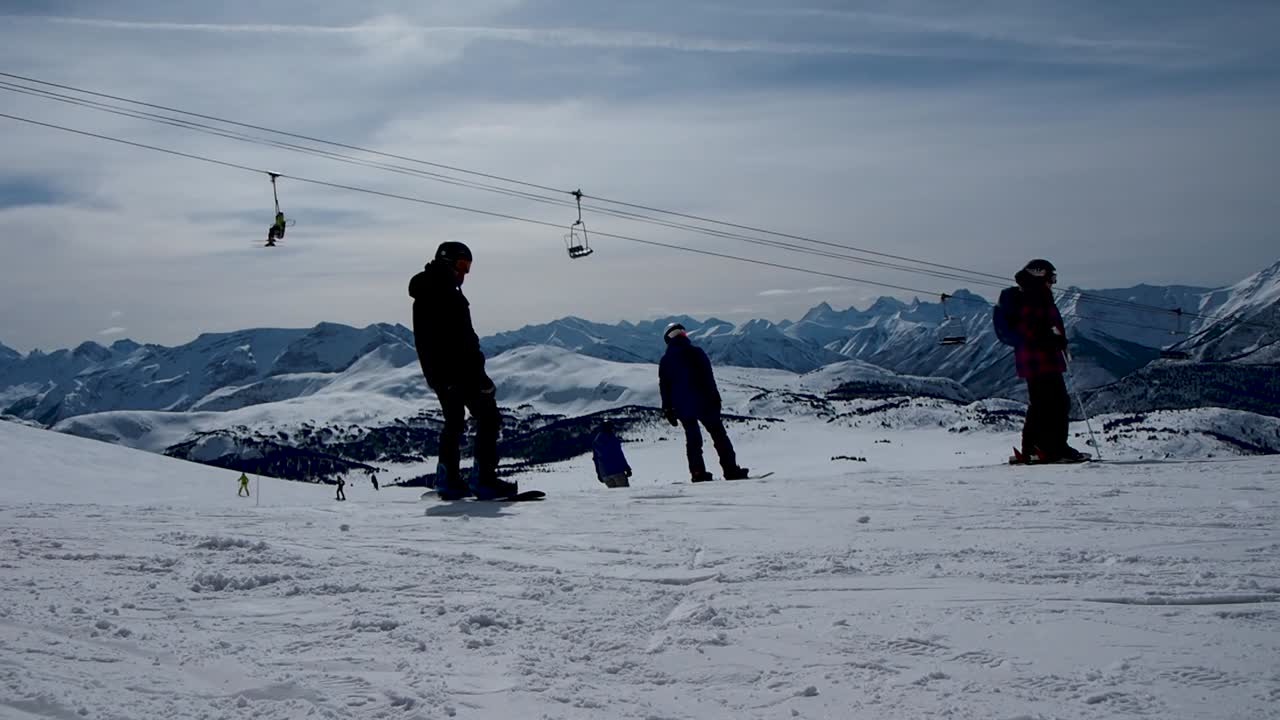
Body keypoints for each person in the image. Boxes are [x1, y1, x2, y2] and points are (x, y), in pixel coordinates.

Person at [409, 241, 514, 500]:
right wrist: (479, 375)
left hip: (439, 374)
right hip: (459, 371)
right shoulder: (446, 294)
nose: (464, 273)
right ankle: (484, 479)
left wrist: (438, 375)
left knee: (454, 423)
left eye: (468, 267)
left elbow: (432, 341)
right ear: (446, 261)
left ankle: (448, 479)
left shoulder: (425, 292)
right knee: (489, 417)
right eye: (461, 265)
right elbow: (462, 340)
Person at [1010, 259, 1086, 463]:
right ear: (1039, 275)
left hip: (1039, 357)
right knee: (1055, 402)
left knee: (1046, 403)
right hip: (1039, 357)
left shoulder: (1033, 295)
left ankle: (1037, 447)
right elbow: (1029, 328)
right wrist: (1050, 337)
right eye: (1051, 277)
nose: (1053, 282)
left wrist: (1054, 337)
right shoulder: (1032, 297)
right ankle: (1051, 448)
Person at [658, 323, 749, 482]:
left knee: (693, 441)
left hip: (683, 406)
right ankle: (731, 470)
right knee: (719, 437)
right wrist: (715, 398)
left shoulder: (666, 360)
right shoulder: (696, 352)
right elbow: (708, 377)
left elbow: (665, 386)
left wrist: (667, 408)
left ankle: (698, 473)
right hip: (704, 402)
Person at [591, 421, 632, 488]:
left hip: (604, 473)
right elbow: (619, 455)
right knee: (624, 494)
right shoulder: (612, 439)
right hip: (617, 471)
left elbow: (596, 459)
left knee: (614, 496)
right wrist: (626, 468)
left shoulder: (595, 442)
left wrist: (599, 473)